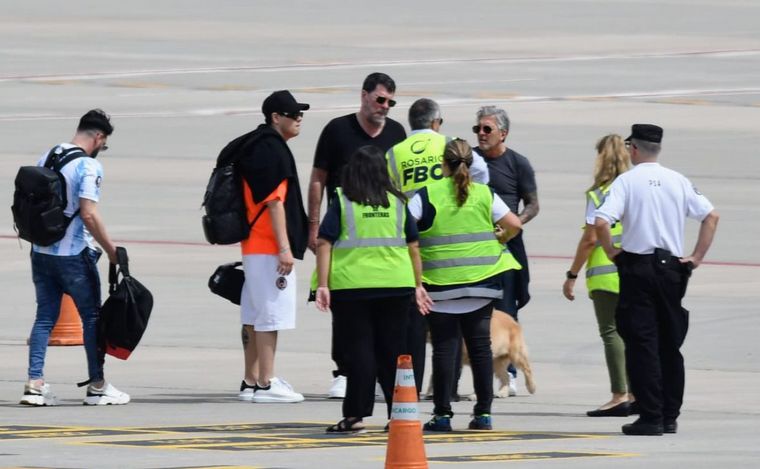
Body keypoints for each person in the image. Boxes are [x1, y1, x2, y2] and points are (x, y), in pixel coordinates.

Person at [595, 124, 719, 436]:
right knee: (669, 344)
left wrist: (612, 252)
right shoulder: (678, 180)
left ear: (634, 148)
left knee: (642, 344)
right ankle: (669, 415)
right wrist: (696, 257)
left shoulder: (626, 182)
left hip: (638, 268)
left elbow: (601, 221)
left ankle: (650, 416)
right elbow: (711, 216)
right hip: (671, 269)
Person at [314, 145, 432, 433]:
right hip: (396, 285)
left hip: (352, 286)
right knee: (393, 352)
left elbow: (324, 241)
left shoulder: (343, 200)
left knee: (359, 352)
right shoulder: (399, 202)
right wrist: (418, 284)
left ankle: (355, 415)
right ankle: (398, 415)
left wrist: (323, 284)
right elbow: (413, 245)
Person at [410, 139, 523, 431]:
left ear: (443, 164)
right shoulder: (485, 193)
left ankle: (442, 414)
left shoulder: (427, 194)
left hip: (441, 286)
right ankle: (483, 414)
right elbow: (514, 224)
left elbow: (406, 231)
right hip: (481, 284)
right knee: (481, 348)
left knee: (444, 350)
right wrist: (501, 237)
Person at [21, 109, 130, 406]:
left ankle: (34, 384)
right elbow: (88, 214)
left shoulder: (48, 155)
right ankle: (97, 385)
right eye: (103, 145)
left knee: (45, 317)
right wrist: (111, 251)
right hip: (73, 256)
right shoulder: (88, 166)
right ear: (99, 137)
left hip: (41, 251)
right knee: (91, 317)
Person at [308, 72, 406, 398]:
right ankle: (343, 370)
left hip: (383, 239)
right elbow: (318, 179)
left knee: (381, 317)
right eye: (380, 99)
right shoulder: (337, 130)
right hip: (344, 233)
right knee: (344, 307)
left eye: (391, 102)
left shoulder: (396, 133)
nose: (385, 107)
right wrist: (314, 227)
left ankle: (372, 374)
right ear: (364, 96)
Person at [385, 98, 490, 396]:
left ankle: (412, 386)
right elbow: (482, 175)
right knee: (452, 328)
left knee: (415, 323)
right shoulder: (449, 144)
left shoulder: (395, 152)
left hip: (412, 241)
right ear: (436, 123)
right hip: (449, 239)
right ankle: (449, 391)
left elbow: (388, 192)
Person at [237, 90, 309, 403]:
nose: (299, 119)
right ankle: (266, 383)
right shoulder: (272, 149)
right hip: (268, 245)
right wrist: (284, 248)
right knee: (271, 314)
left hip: (253, 244)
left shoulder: (255, 144)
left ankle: (251, 380)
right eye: (294, 114)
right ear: (276, 117)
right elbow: (274, 202)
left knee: (254, 313)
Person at [563, 134, 634, 416]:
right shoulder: (634, 188)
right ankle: (637, 391)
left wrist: (572, 274)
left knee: (611, 332)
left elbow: (590, 239)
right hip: (634, 269)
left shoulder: (599, 193)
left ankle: (619, 394)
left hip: (606, 271)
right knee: (634, 333)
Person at [473, 105, 539, 395]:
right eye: (478, 128)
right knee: (476, 306)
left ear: (503, 133)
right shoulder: (470, 160)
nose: (481, 134)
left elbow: (533, 204)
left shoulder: (518, 163)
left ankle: (509, 373)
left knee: (507, 307)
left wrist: (514, 224)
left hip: (507, 245)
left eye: (487, 129)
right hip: (476, 245)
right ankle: (482, 373)